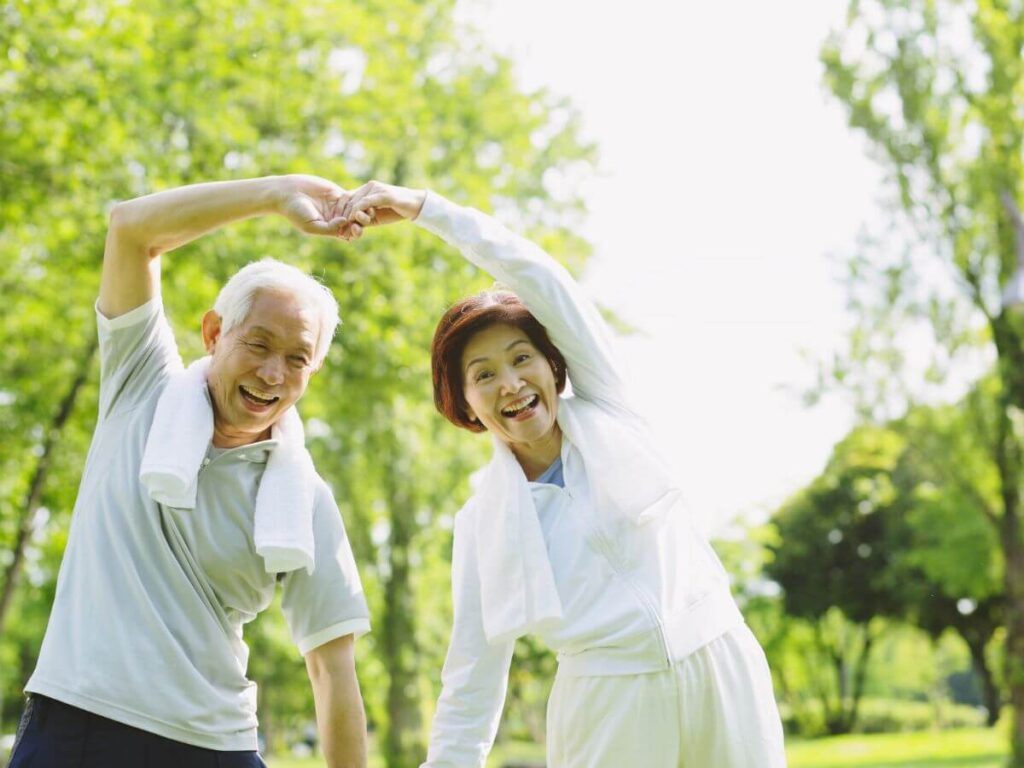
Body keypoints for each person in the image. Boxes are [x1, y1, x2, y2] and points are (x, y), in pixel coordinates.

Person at [335, 181, 788, 767]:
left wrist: (429, 210)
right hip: (608, 704)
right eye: (484, 375)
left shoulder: (614, 411)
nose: (511, 384)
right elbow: (473, 671)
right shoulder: (482, 522)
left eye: (521, 359)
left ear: (554, 365)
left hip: (719, 664)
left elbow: (540, 278)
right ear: (466, 404)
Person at [10, 175, 371, 768]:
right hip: (79, 724)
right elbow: (131, 229)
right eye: (258, 344)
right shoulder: (140, 384)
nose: (273, 373)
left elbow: (332, 672)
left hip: (215, 746)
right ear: (213, 333)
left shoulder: (304, 498)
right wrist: (277, 196)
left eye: (296, 358)